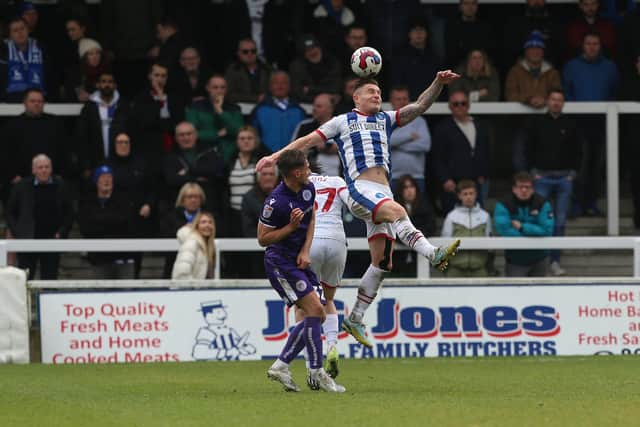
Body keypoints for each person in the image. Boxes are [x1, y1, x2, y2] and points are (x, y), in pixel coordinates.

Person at [256, 72, 461, 349]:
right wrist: (274, 156)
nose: (377, 95)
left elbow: (420, 107)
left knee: (382, 263)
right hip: (359, 188)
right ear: (356, 98)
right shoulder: (343, 121)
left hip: (382, 191)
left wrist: (438, 83)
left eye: (378, 92)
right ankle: (432, 253)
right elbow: (306, 141)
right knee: (398, 210)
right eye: (370, 92)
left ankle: (355, 318)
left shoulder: (385, 119)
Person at [258, 149, 345, 393]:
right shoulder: (276, 202)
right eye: (307, 167)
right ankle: (317, 372)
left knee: (316, 314)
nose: (310, 170)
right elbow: (263, 239)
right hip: (280, 263)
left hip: (298, 260)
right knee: (316, 311)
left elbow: (312, 218)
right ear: (296, 172)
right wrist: (290, 227)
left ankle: (281, 365)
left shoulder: (308, 189)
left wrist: (306, 251)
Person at [306, 172, 351, 379]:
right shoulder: (337, 180)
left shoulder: (298, 183)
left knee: (306, 303)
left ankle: (311, 364)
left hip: (313, 239)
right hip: (337, 240)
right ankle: (332, 345)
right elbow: (353, 204)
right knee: (328, 298)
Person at [6, 155, 74, 280]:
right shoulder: (21, 186)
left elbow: (69, 213)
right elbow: (10, 212)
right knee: (25, 281)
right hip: (27, 241)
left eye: (47, 167)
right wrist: (18, 232)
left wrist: (61, 232)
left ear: (51, 169)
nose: (44, 170)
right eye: (40, 167)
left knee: (50, 282)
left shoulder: (61, 186)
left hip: (52, 242)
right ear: (33, 170)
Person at [432, 89, 490, 215]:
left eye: (463, 103)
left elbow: (485, 151)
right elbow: (437, 157)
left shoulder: (479, 125)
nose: (459, 106)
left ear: (468, 105)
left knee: (477, 217)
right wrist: (445, 179)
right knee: (453, 219)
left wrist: (483, 174)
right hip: (453, 184)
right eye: (455, 104)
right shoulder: (442, 128)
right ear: (450, 106)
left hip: (476, 182)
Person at [78, 165, 136, 279]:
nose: (106, 180)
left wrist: (100, 220)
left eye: (109, 177)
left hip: (123, 258)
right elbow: (86, 228)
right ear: (96, 181)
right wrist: (112, 221)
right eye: (103, 177)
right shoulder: (88, 203)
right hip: (99, 259)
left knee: (126, 295)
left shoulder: (124, 200)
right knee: (100, 295)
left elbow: (127, 225)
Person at [494, 172, 554, 277]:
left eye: (527, 187)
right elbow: (504, 230)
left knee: (540, 293)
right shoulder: (503, 204)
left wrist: (522, 227)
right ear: (514, 189)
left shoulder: (543, 203)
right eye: (520, 187)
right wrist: (534, 234)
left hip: (539, 259)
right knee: (515, 293)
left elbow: (547, 230)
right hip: (515, 261)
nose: (524, 190)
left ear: (533, 189)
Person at [75, 71, 128, 180]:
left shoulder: (123, 106)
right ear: (97, 85)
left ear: (115, 85)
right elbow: (82, 138)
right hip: (95, 162)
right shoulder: (89, 108)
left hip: (120, 162)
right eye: (103, 82)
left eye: (110, 82)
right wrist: (86, 166)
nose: (107, 85)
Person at [186, 74, 243, 162]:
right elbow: (191, 133)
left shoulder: (234, 108)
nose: (219, 91)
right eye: (215, 87)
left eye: (222, 87)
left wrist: (220, 112)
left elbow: (239, 131)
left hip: (230, 154)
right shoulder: (196, 107)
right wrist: (217, 134)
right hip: (202, 151)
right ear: (208, 88)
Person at [441, 179, 491, 277]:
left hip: (479, 270)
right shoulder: (451, 216)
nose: (468, 197)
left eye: (471, 193)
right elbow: (444, 245)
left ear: (476, 194)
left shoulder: (485, 216)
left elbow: (490, 247)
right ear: (459, 196)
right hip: (455, 270)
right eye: (465, 194)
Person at [388, 85, 432, 194]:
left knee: (417, 210)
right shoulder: (386, 121)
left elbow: (425, 145)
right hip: (393, 178)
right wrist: (409, 136)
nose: (402, 102)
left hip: (417, 177)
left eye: (405, 99)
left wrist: (396, 144)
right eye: (398, 99)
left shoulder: (420, 121)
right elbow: (385, 142)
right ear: (391, 101)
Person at [251, 71, 307, 153]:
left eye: (284, 83)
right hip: (266, 158)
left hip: (292, 159)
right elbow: (254, 136)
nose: (280, 86)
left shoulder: (298, 111)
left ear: (289, 86)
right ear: (270, 86)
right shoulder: (260, 110)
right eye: (276, 83)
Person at [505, 31, 562, 109]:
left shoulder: (553, 73)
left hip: (547, 117)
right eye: (531, 48)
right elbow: (510, 95)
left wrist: (545, 100)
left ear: (543, 52)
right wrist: (529, 99)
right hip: (521, 118)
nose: (535, 52)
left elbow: (558, 94)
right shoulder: (515, 72)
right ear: (525, 51)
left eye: (539, 48)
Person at [160, 182, 206, 279]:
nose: (193, 200)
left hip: (203, 267)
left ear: (201, 199)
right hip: (174, 264)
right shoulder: (171, 217)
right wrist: (184, 228)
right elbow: (165, 236)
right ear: (182, 200)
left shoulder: (208, 217)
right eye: (189, 197)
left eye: (196, 197)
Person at [392, 175, 436, 276]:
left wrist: (412, 238)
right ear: (400, 191)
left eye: (412, 187)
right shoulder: (393, 208)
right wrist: (410, 239)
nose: (409, 190)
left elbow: (431, 227)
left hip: (420, 261)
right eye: (405, 187)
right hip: (397, 262)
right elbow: (391, 229)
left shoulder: (426, 207)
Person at [0, 17, 51, 102]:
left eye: (22, 28)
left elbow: (50, 76)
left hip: (38, 101)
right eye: (15, 30)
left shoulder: (41, 48)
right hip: (10, 101)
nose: (20, 33)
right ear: (10, 35)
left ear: (28, 30)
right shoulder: (3, 52)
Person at [227, 126, 265, 237]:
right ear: (237, 141)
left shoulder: (261, 161)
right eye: (242, 138)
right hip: (234, 213)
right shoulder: (231, 161)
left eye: (249, 138)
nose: (246, 141)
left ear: (256, 141)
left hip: (255, 212)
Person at [291, 93, 340, 176]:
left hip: (340, 179)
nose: (314, 109)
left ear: (330, 109)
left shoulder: (341, 127)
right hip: (310, 177)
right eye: (314, 105)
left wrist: (334, 148)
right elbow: (293, 151)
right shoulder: (304, 127)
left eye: (319, 106)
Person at [288, 34, 342, 103]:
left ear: (319, 47)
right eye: (308, 50)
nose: (312, 52)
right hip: (305, 103)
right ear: (303, 53)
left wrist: (310, 89)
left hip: (329, 102)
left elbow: (335, 88)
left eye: (314, 48)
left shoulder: (332, 62)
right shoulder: (297, 66)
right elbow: (297, 92)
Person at [224, 38, 272, 104]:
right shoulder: (233, 70)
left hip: (265, 107)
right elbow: (228, 95)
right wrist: (255, 98)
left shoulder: (267, 69)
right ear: (239, 53)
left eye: (253, 51)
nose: (250, 54)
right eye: (245, 52)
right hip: (241, 109)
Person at [64, 38, 112, 102]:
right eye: (91, 54)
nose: (95, 57)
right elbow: (74, 95)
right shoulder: (76, 74)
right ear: (85, 57)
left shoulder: (107, 71)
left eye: (97, 53)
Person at [172, 211, 216, 280]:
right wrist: (195, 289)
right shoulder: (191, 243)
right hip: (187, 290)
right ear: (196, 226)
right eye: (203, 222)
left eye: (210, 222)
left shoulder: (209, 247)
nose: (207, 225)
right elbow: (182, 274)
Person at [241, 165, 278, 237]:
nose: (268, 177)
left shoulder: (285, 196)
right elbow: (248, 229)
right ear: (258, 178)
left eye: (271, 174)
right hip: (256, 243)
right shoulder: (248, 199)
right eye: (264, 174)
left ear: (276, 178)